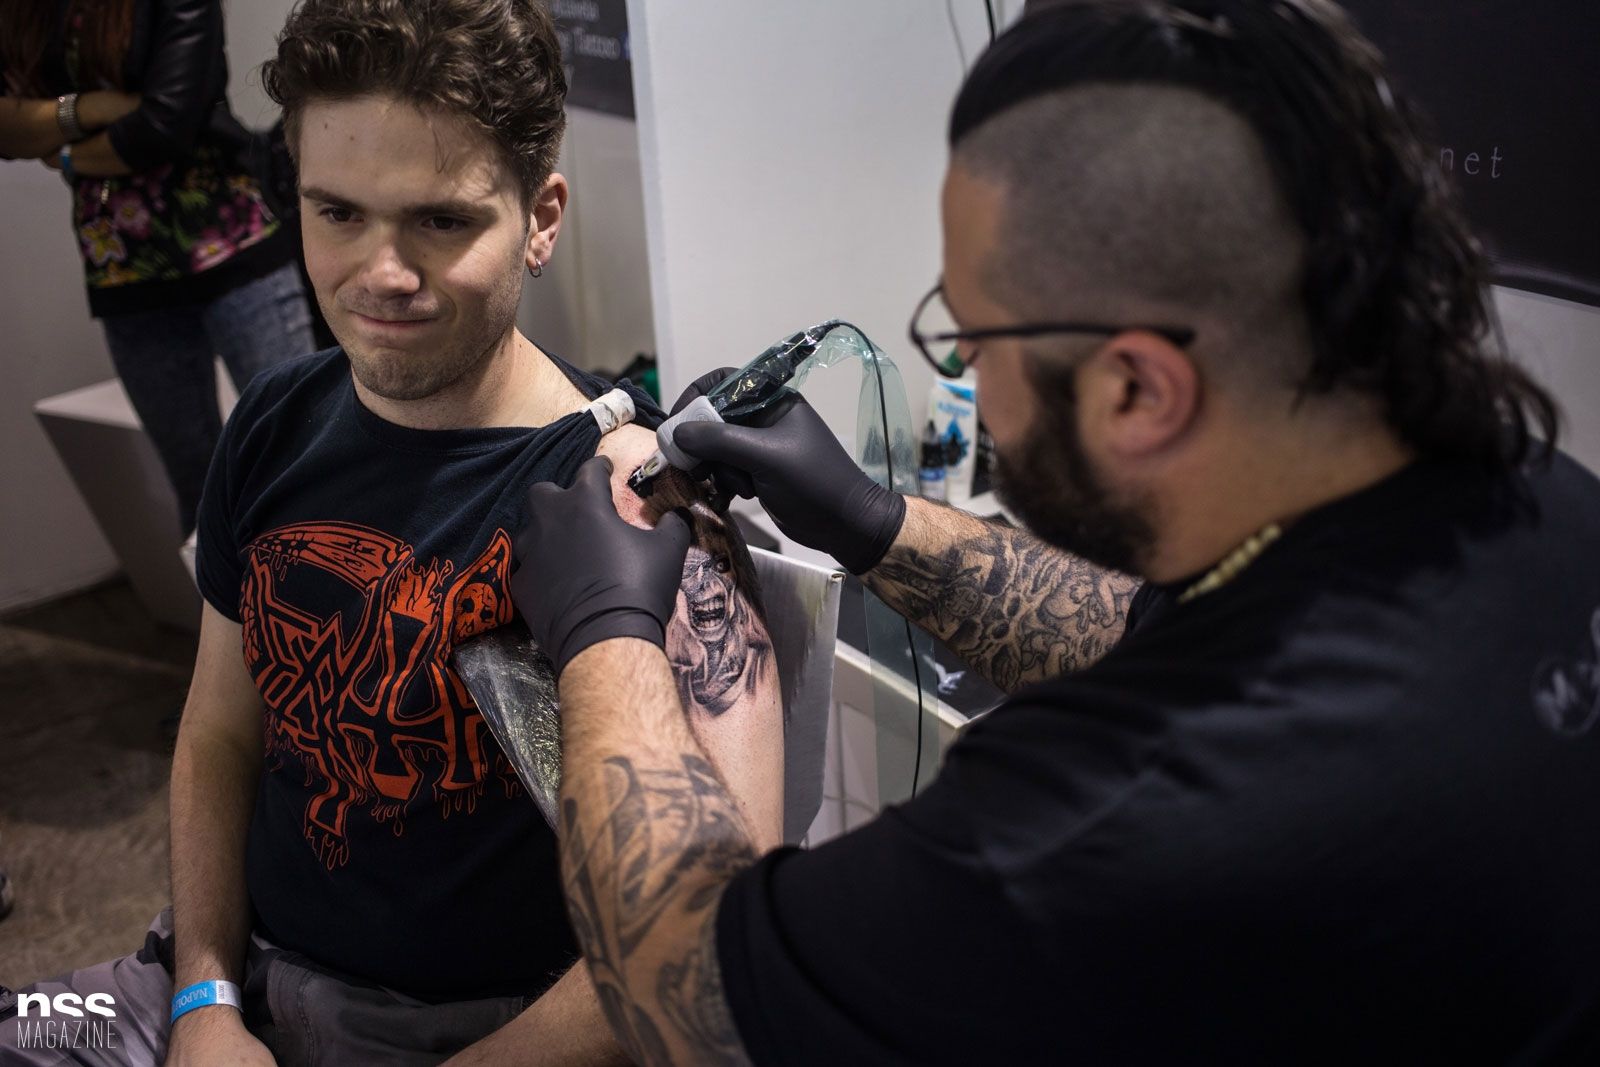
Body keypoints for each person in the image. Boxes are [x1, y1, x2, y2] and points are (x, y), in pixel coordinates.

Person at [510, 1, 1600, 1063]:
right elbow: (1162, 633)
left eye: (975, 337)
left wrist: (605, 630)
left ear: (1139, 389)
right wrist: (875, 523)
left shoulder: (1100, 823)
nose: (971, 376)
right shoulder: (1536, 503)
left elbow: (687, 995)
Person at [0, 1, 781, 1064]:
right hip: (232, 973)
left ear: (541, 219)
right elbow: (220, 732)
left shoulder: (629, 495)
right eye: (338, 213)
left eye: (441, 223)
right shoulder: (271, 423)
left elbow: (712, 933)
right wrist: (205, 999)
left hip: (484, 1034)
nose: (381, 274)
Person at [0, 0, 316, 536]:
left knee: (301, 463)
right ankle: (223, 596)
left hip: (235, 249)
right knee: (198, 489)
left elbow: (165, 124)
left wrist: (67, 152)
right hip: (125, 272)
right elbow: (7, 131)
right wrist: (88, 109)